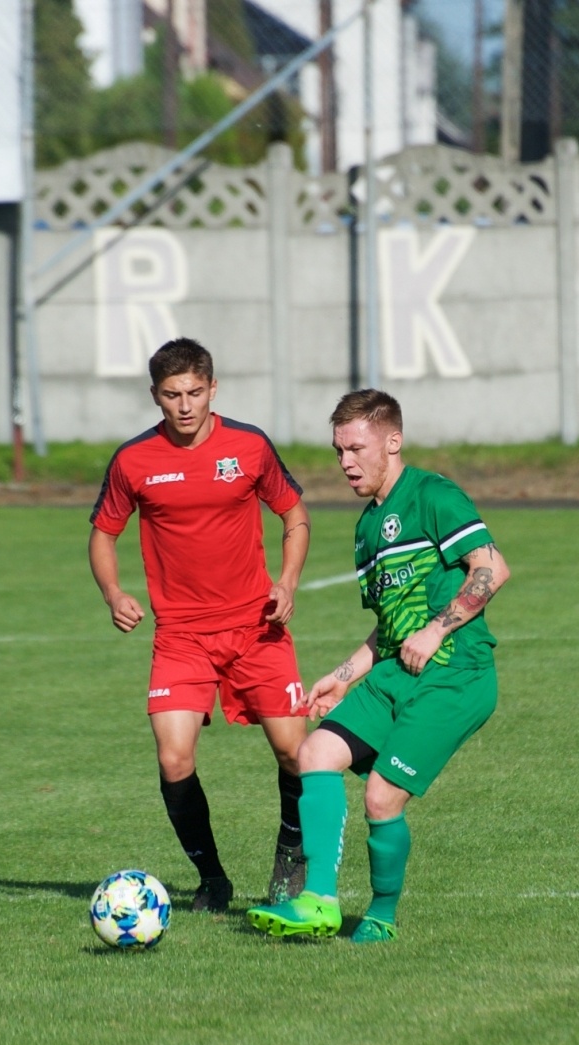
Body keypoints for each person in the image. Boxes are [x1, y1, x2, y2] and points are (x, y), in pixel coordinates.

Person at [248, 389, 509, 943]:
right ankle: (318, 901)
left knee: (381, 797)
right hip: (396, 673)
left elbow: (491, 568)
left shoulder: (432, 495)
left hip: (456, 674)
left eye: (356, 449)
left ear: (393, 442)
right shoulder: (367, 528)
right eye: (338, 451)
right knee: (314, 752)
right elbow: (389, 629)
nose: (345, 462)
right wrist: (343, 676)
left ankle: (381, 918)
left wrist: (436, 629)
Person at [90, 338, 312, 912]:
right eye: (172, 395)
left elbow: (293, 514)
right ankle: (212, 879)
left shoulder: (250, 446)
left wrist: (287, 582)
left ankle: (291, 852)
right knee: (173, 759)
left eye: (194, 392)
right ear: (155, 396)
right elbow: (103, 535)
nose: (185, 405)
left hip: (256, 627)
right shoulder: (133, 460)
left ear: (213, 388)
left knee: (296, 753)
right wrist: (114, 593)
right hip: (181, 636)